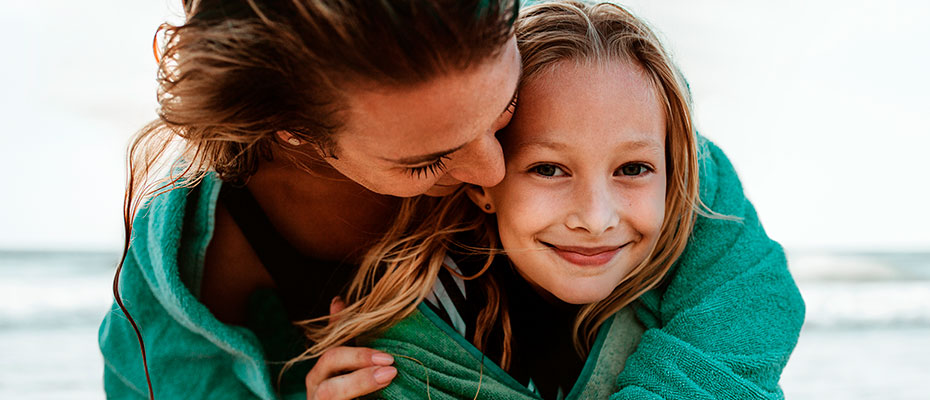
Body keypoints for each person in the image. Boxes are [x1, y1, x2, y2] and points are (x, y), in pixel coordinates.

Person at [99, 1, 803, 400]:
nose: (489, 168)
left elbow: (742, 311)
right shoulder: (205, 269)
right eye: (428, 158)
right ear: (297, 134)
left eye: (504, 110)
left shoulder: (596, 119)